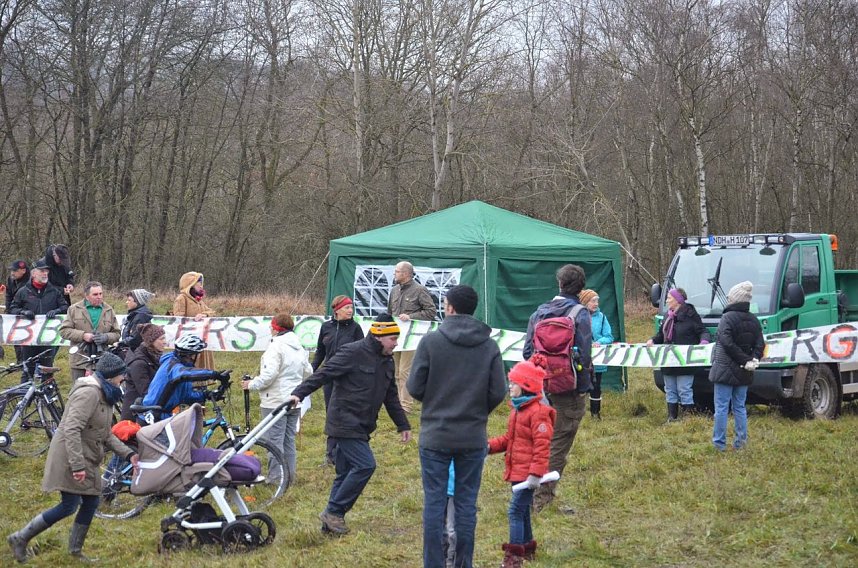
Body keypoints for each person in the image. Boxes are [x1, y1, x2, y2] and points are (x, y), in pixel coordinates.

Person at [406, 284, 507, 568]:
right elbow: (498, 390)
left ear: (449, 308)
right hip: (472, 437)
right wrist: (476, 411)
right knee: (465, 505)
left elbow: (414, 387)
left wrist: (436, 403)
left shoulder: (430, 342)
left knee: (434, 504)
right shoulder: (489, 346)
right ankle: (463, 563)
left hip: (435, 435)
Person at [287, 314, 412, 536]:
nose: (396, 343)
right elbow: (324, 373)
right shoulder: (352, 352)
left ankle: (331, 522)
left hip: (363, 425)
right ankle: (334, 511)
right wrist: (298, 393)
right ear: (380, 337)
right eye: (393, 338)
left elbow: (390, 396)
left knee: (344, 474)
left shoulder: (387, 360)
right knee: (365, 465)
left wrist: (403, 425)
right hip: (344, 421)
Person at [6, 352, 138, 563]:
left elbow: (105, 434)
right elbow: (71, 429)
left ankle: (75, 551)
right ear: (112, 376)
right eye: (122, 375)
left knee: (90, 502)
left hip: (86, 455)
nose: (124, 379)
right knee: (69, 505)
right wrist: (77, 466)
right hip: (71, 456)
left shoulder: (106, 393)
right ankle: (20, 538)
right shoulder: (89, 394)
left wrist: (129, 454)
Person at [523, 264, 592, 513]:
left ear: (559, 284)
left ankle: (526, 491)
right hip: (568, 390)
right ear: (581, 288)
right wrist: (583, 386)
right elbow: (584, 355)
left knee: (538, 438)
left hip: (540, 387)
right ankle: (542, 501)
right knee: (559, 443)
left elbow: (527, 352)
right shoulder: (580, 314)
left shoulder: (540, 312)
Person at [488, 357, 556, 567]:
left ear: (526, 386)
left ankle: (514, 556)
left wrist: (536, 473)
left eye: (514, 383)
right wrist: (489, 446)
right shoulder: (518, 410)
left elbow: (542, 446)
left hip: (528, 475)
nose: (510, 386)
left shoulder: (538, 414)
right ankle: (527, 548)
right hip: (517, 471)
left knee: (515, 511)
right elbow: (511, 439)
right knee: (523, 510)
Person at [241, 313, 312, 487]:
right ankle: (289, 476)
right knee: (288, 440)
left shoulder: (276, 347)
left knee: (274, 441)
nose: (270, 329)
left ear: (276, 328)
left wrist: (251, 384)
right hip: (294, 399)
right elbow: (308, 371)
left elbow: (269, 375)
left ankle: (275, 479)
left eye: (271, 326)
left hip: (275, 401)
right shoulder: (298, 346)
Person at [709, 281, 764, 451]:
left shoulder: (726, 318)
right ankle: (741, 443)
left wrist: (743, 360)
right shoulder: (754, 319)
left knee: (721, 408)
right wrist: (753, 359)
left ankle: (719, 444)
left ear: (734, 299)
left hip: (725, 369)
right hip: (744, 371)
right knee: (739, 407)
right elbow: (760, 343)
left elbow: (726, 342)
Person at [312, 295, 365, 466]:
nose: (350, 311)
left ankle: (348, 453)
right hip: (329, 377)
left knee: (346, 414)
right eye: (346, 308)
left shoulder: (356, 329)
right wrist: (312, 371)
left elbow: (362, 353)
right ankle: (331, 454)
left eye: (351, 308)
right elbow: (320, 351)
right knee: (331, 414)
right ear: (336, 310)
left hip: (348, 378)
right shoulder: (326, 327)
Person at [647, 288, 711, 421]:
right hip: (668, 360)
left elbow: (702, 331)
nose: (666, 300)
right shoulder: (667, 316)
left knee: (684, 389)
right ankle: (672, 417)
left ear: (678, 300)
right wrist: (653, 340)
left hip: (684, 361)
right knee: (670, 390)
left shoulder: (691, 315)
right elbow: (661, 335)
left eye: (669, 298)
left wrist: (703, 342)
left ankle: (689, 420)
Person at [388, 261, 436, 413]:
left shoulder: (420, 290)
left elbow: (431, 312)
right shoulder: (394, 290)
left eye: (397, 271)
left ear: (406, 274)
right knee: (395, 371)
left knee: (405, 371)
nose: (394, 274)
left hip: (411, 337)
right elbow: (390, 312)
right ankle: (396, 403)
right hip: (395, 336)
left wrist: (411, 316)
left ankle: (405, 405)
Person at [142, 334, 226, 421]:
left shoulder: (180, 368)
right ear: (190, 355)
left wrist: (206, 394)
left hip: (164, 415)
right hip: (153, 415)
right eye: (196, 355)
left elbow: (186, 396)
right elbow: (186, 373)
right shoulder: (173, 366)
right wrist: (215, 374)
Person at [9, 259, 68, 379]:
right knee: (28, 370)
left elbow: (65, 307)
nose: (45, 273)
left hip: (48, 337)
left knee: (47, 369)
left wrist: (56, 311)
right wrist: (23, 312)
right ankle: (25, 395)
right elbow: (13, 308)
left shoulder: (54, 291)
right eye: (42, 271)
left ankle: (48, 395)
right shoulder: (23, 291)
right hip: (29, 338)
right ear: (34, 273)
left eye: (46, 271)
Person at [60, 281, 121, 382]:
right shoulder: (74, 309)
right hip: (80, 360)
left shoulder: (109, 310)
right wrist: (83, 336)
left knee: (102, 393)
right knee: (79, 393)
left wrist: (105, 337)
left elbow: (117, 333)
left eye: (101, 294)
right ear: (87, 296)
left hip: (102, 360)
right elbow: (64, 331)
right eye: (95, 294)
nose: (99, 297)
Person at [579, 289, 614, 419]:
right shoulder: (579, 317)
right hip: (582, 359)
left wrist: (599, 342)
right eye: (593, 300)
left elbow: (609, 336)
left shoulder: (602, 318)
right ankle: (578, 413)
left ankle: (595, 413)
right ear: (585, 302)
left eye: (597, 300)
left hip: (597, 359)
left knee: (596, 385)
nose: (596, 303)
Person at [120, 324, 166, 421]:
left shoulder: (155, 357)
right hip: (135, 417)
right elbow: (146, 392)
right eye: (161, 339)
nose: (165, 342)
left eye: (164, 338)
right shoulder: (139, 363)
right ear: (151, 342)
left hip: (149, 412)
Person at [173, 272, 216, 370]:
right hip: (189, 342)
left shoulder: (199, 300)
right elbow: (179, 319)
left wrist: (205, 314)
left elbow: (212, 312)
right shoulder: (181, 299)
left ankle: (203, 383)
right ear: (191, 284)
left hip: (202, 338)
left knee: (202, 367)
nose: (201, 286)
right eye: (198, 283)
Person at [5, 259, 30, 364]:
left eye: (15, 270)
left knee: (26, 337)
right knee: (15, 336)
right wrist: (8, 310)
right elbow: (8, 295)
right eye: (12, 270)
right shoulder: (10, 280)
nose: (12, 273)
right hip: (14, 310)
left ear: (23, 270)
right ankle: (20, 361)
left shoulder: (30, 281)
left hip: (27, 311)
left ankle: (28, 361)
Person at [120, 289, 155, 354]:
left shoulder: (140, 316)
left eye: (129, 300)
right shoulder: (136, 314)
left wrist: (120, 343)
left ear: (137, 302)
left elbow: (135, 339)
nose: (127, 302)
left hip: (136, 353)